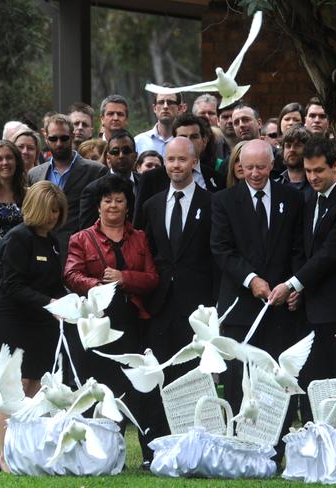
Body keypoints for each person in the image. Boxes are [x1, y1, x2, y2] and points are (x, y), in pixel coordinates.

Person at [211, 139, 302, 460]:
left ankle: (275, 447)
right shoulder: (223, 201)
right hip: (239, 307)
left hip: (279, 307)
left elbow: (298, 247)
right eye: (248, 167)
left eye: (260, 167)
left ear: (271, 165)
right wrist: (252, 280)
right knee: (238, 378)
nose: (254, 173)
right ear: (239, 167)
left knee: (276, 377)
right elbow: (222, 249)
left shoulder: (291, 199)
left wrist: (292, 287)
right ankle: (240, 446)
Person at [270, 135, 336, 423]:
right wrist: (299, 289)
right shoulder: (309, 198)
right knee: (314, 383)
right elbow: (303, 249)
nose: (312, 177)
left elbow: (330, 255)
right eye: (308, 171)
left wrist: (292, 284)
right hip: (312, 312)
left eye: (319, 171)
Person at [139, 138, 217, 464]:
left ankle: (193, 448)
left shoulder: (212, 203)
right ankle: (153, 449)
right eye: (170, 159)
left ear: (194, 161)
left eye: (182, 159)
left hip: (196, 310)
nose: (175, 166)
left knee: (192, 381)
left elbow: (216, 258)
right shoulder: (152, 205)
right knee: (156, 377)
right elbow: (145, 254)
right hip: (159, 307)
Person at [0, 181, 68, 472]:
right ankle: (6, 456)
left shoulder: (53, 241)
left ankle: (23, 450)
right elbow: (13, 286)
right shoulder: (17, 238)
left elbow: (55, 284)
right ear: (34, 208)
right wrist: (51, 304)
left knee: (34, 384)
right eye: (48, 210)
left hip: (39, 321)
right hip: (11, 318)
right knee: (14, 386)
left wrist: (74, 304)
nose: (53, 216)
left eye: (57, 211)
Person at [64, 175, 158, 395]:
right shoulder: (81, 238)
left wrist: (124, 278)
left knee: (123, 385)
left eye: (119, 200)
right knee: (94, 382)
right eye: (107, 200)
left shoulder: (140, 237)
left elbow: (153, 278)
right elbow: (70, 274)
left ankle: (119, 429)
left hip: (131, 320)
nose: (113, 205)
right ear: (98, 206)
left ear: (128, 206)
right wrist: (100, 287)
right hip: (96, 321)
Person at [27, 113, 107, 261]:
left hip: (81, 251)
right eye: (53, 138)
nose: (58, 143)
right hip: (41, 251)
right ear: (46, 138)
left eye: (64, 138)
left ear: (72, 135)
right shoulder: (34, 174)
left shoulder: (96, 171)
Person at [79, 130, 139, 229]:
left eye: (126, 151)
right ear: (108, 157)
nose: (121, 156)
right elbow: (86, 233)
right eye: (115, 152)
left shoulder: (145, 183)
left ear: (135, 155)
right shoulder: (93, 190)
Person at [135, 90, 184, 156]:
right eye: (161, 102)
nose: (165, 106)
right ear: (154, 108)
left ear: (179, 108)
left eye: (170, 102)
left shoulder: (185, 140)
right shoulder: (139, 142)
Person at [275, 125, 314, 200]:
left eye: (298, 145)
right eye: (288, 146)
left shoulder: (317, 185)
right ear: (283, 151)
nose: (292, 149)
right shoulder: (274, 185)